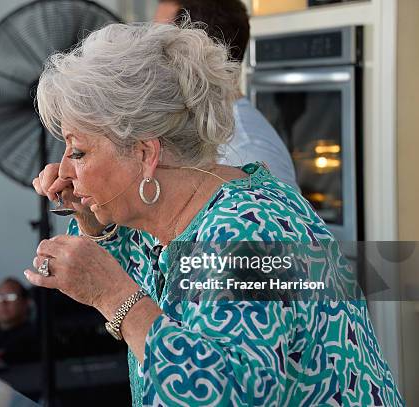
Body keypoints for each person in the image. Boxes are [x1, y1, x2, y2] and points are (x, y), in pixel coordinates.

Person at [27, 21, 404, 406]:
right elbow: (147, 274)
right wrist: (91, 217)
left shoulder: (249, 231)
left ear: (144, 153)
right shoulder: (181, 215)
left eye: (78, 152)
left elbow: (229, 394)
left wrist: (114, 297)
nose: (65, 171)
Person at [154, 0, 298, 188]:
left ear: (199, 49)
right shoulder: (203, 132)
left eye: (162, 43)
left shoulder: (248, 152)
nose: (153, 56)